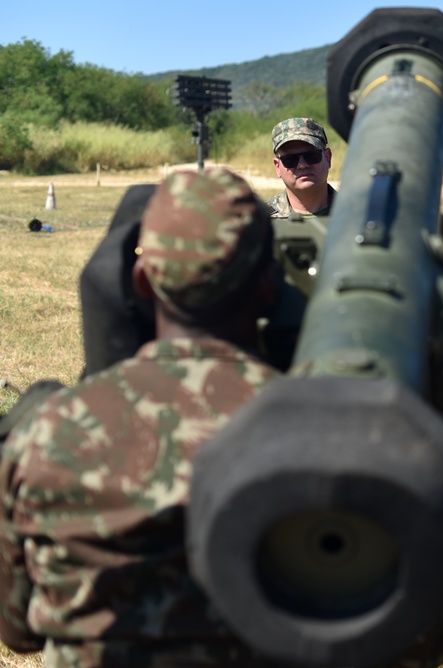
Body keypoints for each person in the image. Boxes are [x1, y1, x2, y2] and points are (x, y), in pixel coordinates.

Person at [0, 167, 282, 666]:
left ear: (140, 280)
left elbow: (17, 629)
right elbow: (422, 634)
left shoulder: (47, 433)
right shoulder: (329, 432)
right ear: (269, 282)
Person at [269, 117, 337, 219]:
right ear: (277, 167)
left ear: (328, 158)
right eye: (290, 159)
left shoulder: (359, 213)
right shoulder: (260, 221)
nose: (302, 165)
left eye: (311, 156)